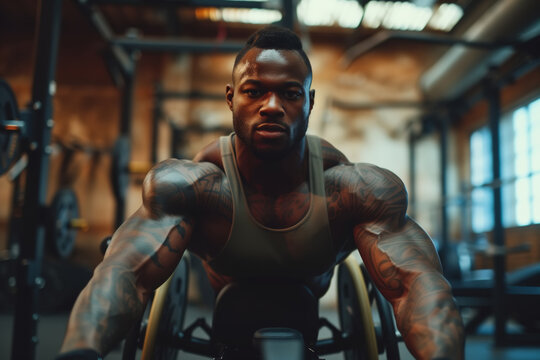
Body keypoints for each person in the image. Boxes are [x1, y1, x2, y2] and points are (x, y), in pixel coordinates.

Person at [57, 25, 464, 360]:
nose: (271, 106)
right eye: (254, 91)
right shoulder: (192, 187)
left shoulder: (356, 190)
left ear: (309, 102)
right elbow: (124, 274)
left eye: (289, 93)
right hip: (228, 295)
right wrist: (79, 352)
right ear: (231, 98)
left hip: (309, 288)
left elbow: (416, 285)